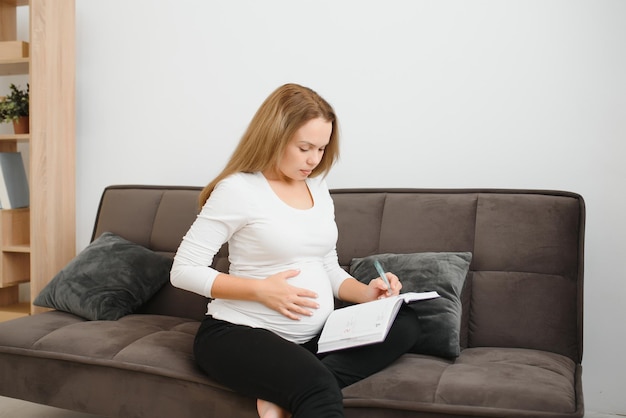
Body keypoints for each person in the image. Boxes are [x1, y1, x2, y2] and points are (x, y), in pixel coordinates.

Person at [171, 83, 421, 418]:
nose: (314, 160)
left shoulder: (317, 186)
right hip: (239, 333)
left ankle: (287, 391)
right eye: (305, 147)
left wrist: (368, 294)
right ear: (275, 136)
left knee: (405, 321)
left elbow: (327, 266)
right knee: (318, 390)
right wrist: (260, 290)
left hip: (314, 339)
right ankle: (305, 386)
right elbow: (184, 269)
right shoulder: (239, 189)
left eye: (321, 149)